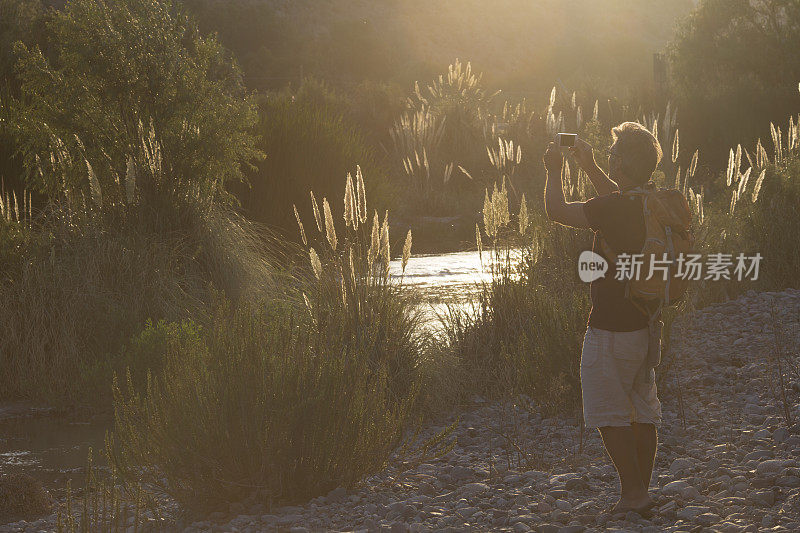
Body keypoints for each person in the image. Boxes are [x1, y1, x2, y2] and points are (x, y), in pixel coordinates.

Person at [542, 122, 663, 516]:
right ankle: (640, 492)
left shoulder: (612, 206)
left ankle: (632, 495)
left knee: (610, 414)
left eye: (613, 154)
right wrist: (590, 163)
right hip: (645, 329)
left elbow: (556, 211)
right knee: (643, 414)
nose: (609, 158)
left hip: (609, 330)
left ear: (622, 162)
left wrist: (554, 171)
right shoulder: (649, 201)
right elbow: (613, 199)